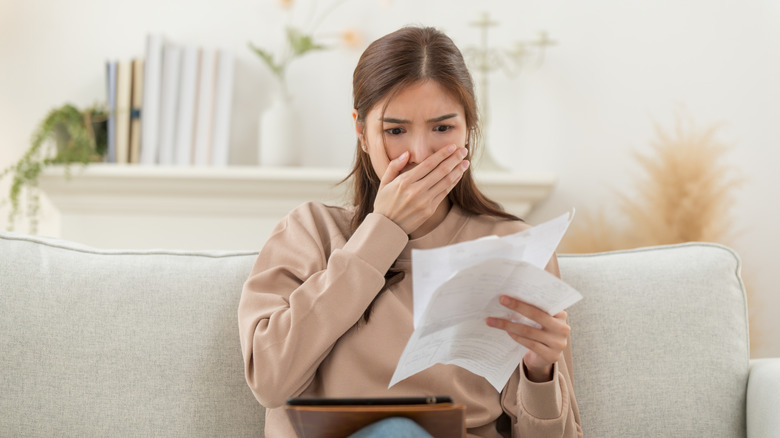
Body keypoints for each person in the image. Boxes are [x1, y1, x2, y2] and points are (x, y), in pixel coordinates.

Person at [238, 26, 582, 437]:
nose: (419, 155)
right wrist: (383, 231)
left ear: (468, 130)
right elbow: (270, 380)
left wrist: (539, 371)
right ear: (362, 133)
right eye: (396, 130)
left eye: (442, 128)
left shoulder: (513, 247)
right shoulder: (310, 232)